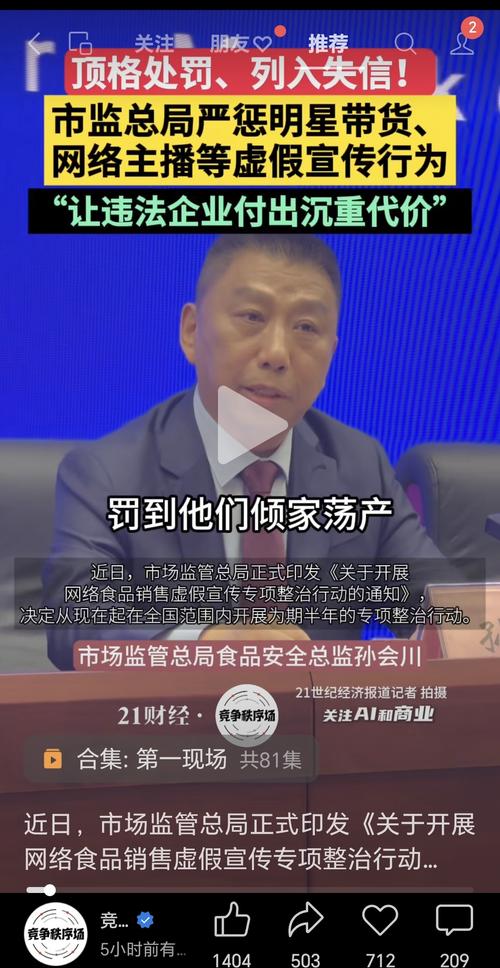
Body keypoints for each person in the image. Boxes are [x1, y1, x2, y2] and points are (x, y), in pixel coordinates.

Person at [43, 234, 445, 670]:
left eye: (306, 328)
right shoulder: (107, 472)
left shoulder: (360, 465)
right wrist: (206, 642)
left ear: (331, 352)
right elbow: (74, 621)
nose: (276, 354)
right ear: (192, 332)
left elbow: (445, 610)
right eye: (252, 317)